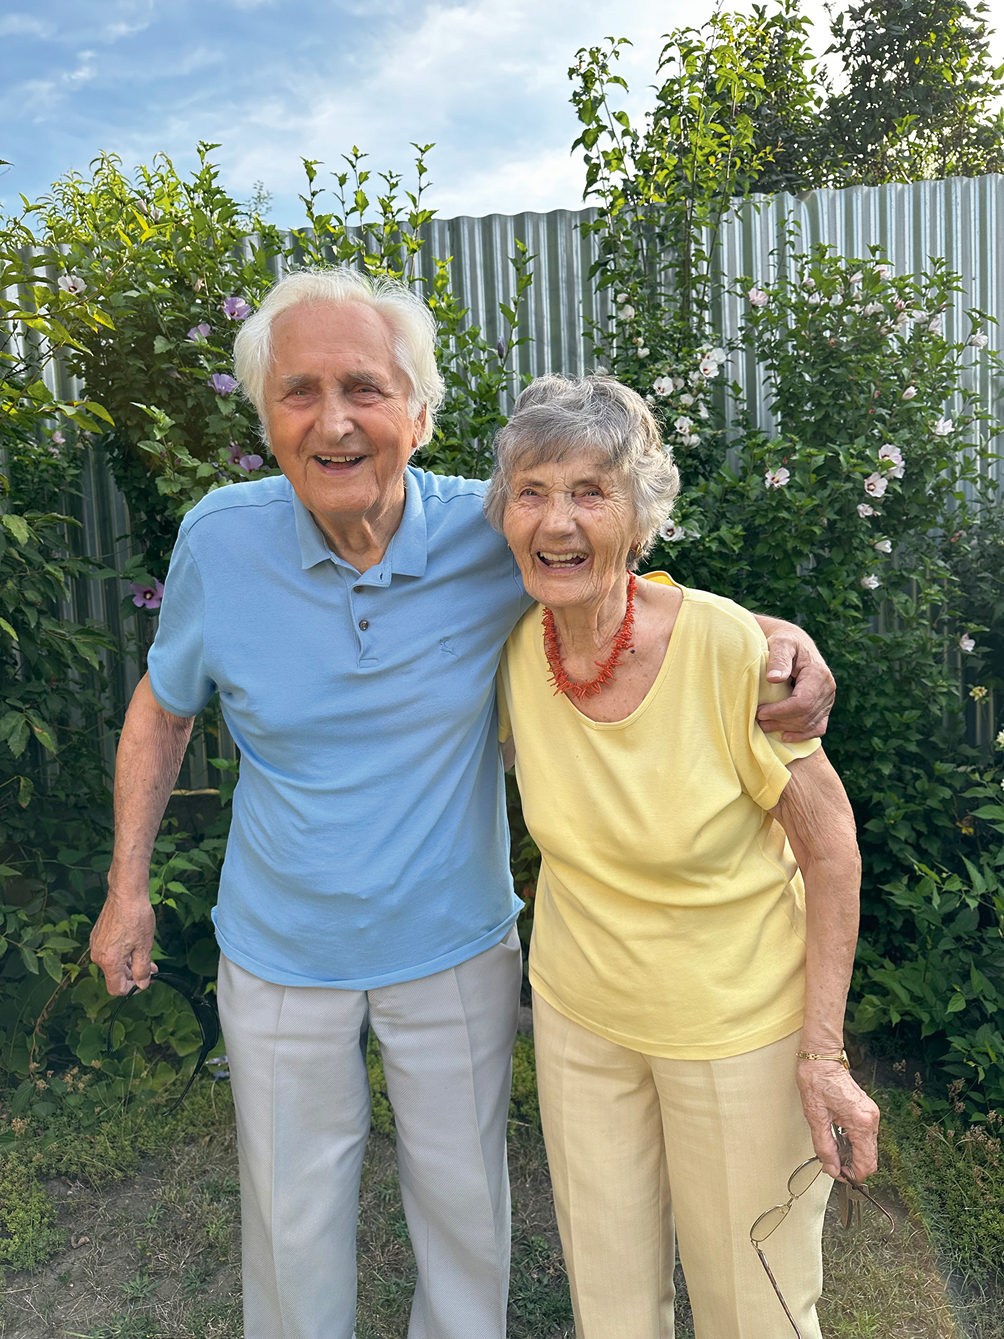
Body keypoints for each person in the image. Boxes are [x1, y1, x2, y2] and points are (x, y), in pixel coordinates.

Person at [89, 268, 837, 1339]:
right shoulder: (219, 539)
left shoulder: (489, 530)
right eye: (299, 392)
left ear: (420, 414)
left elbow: (611, 573)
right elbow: (163, 709)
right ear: (265, 418)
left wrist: (772, 635)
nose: (334, 422)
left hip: (451, 944)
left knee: (464, 1215)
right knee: (289, 1217)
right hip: (279, 944)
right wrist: (127, 888)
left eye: (365, 387)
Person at [485, 374, 879, 1339]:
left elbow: (831, 850)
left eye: (590, 491)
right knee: (610, 1299)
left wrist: (823, 1053)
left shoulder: (731, 652)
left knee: (756, 1303)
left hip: (734, 1029)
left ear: (641, 515)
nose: (556, 521)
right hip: (580, 1020)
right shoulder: (513, 651)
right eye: (532, 492)